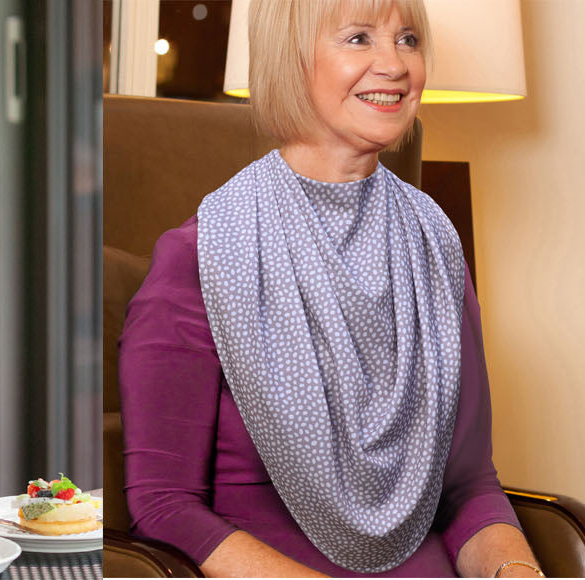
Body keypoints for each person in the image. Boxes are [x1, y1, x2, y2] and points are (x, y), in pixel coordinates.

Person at [118, 0, 542, 576]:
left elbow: (470, 487)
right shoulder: (202, 255)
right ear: (292, 60)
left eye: (410, 39)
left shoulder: (436, 243)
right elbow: (164, 507)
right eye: (359, 38)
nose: (394, 65)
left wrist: (517, 571)